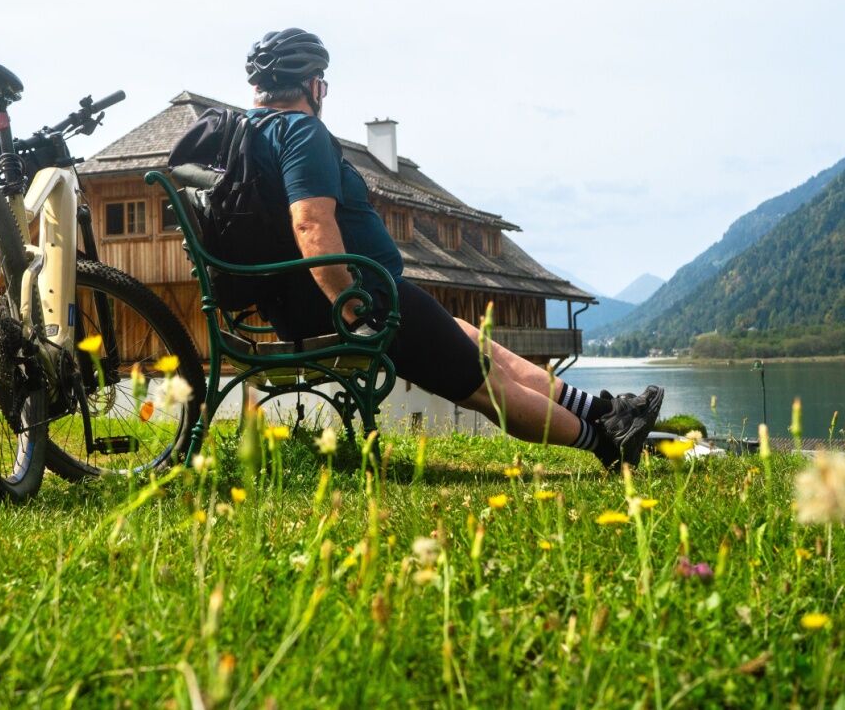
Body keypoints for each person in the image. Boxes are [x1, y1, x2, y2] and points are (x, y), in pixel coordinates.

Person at [243, 27, 663, 472]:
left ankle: (606, 413)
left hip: (307, 302)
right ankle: (608, 442)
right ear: (314, 86)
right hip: (361, 302)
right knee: (486, 387)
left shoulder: (249, 135)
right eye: (322, 84)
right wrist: (354, 313)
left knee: (471, 338)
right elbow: (310, 224)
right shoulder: (300, 132)